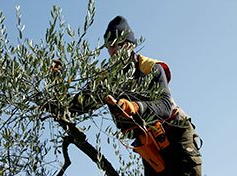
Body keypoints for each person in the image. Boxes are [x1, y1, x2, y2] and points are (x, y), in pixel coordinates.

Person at [52, 15, 202, 176]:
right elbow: (75, 107)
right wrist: (56, 85)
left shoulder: (150, 68)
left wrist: (135, 107)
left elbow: (166, 105)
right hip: (149, 145)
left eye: (118, 44)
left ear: (130, 45)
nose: (113, 49)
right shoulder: (108, 80)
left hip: (177, 137)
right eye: (109, 45)